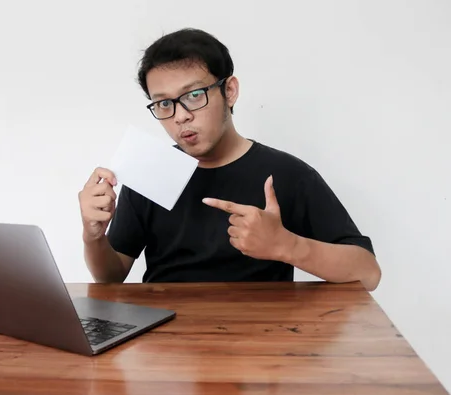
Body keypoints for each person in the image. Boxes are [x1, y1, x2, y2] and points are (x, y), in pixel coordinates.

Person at [78, 28, 381, 291]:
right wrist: (93, 236)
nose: (180, 115)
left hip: (259, 342)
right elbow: (111, 278)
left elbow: (367, 273)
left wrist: (286, 245)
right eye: (164, 103)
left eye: (194, 94)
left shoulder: (286, 174)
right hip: (166, 342)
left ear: (230, 91)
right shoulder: (151, 170)